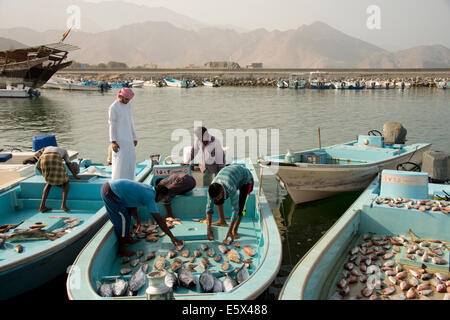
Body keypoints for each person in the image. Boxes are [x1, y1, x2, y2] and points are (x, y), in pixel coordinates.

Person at [100, 179, 184, 257]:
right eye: (162, 198)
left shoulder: (150, 189)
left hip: (114, 189)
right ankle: (121, 249)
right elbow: (159, 220)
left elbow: (132, 204)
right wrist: (172, 237)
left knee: (127, 216)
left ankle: (128, 239)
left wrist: (137, 219)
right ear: (160, 195)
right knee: (123, 221)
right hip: (111, 192)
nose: (161, 200)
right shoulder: (150, 197)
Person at [205, 164, 254, 243]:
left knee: (241, 206)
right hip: (232, 176)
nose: (216, 199)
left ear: (222, 191)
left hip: (246, 180)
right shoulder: (212, 188)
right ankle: (222, 221)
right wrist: (208, 228)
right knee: (217, 200)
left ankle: (235, 230)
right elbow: (209, 209)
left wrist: (230, 230)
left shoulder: (230, 187)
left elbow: (235, 210)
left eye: (218, 196)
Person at [36, 146, 81, 212]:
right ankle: (63, 205)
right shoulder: (64, 151)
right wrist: (75, 175)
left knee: (49, 183)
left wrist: (46, 176)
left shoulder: (47, 149)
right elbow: (68, 163)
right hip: (55, 157)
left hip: (44, 159)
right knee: (66, 181)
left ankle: (42, 206)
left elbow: (38, 167)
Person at [108, 87, 137, 180]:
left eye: (129, 99)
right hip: (119, 140)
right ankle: (117, 182)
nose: (128, 101)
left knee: (130, 161)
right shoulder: (113, 107)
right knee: (119, 162)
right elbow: (112, 125)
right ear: (121, 96)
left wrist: (134, 137)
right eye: (127, 99)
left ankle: (130, 181)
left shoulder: (128, 105)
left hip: (129, 139)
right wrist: (113, 141)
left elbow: (130, 122)